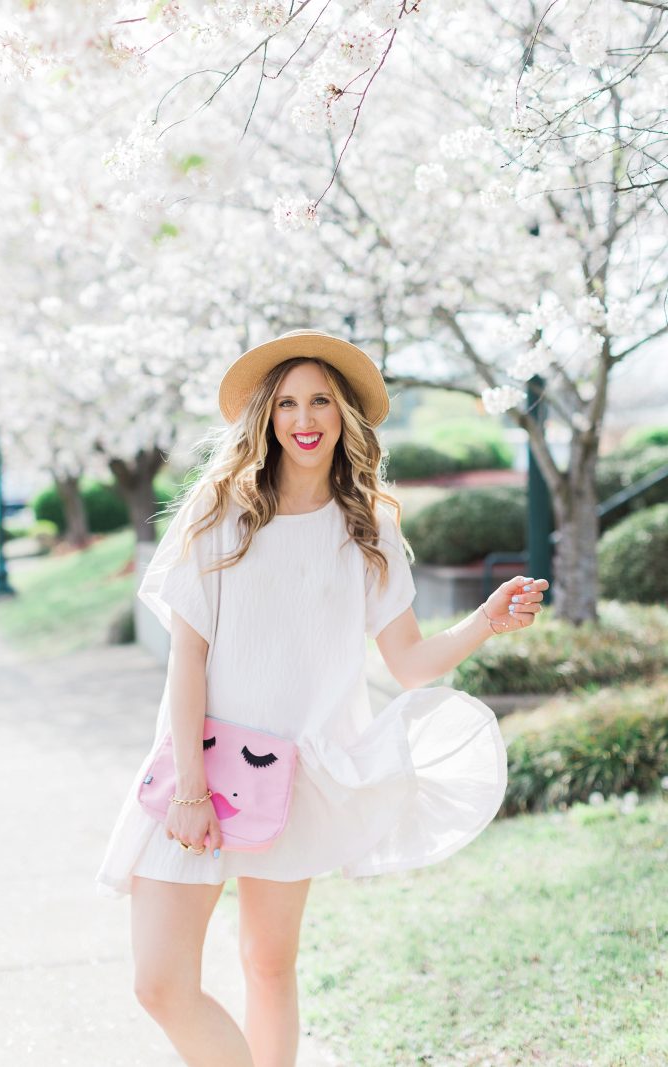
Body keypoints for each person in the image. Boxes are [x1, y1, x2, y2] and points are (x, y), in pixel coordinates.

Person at [94, 328, 549, 1067]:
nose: (304, 418)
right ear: (266, 419)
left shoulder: (369, 527)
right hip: (197, 772)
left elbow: (409, 662)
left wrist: (484, 620)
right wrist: (194, 789)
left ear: (344, 416)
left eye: (321, 401)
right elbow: (188, 658)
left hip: (294, 776)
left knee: (269, 966)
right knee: (160, 983)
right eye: (287, 403)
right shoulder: (219, 512)